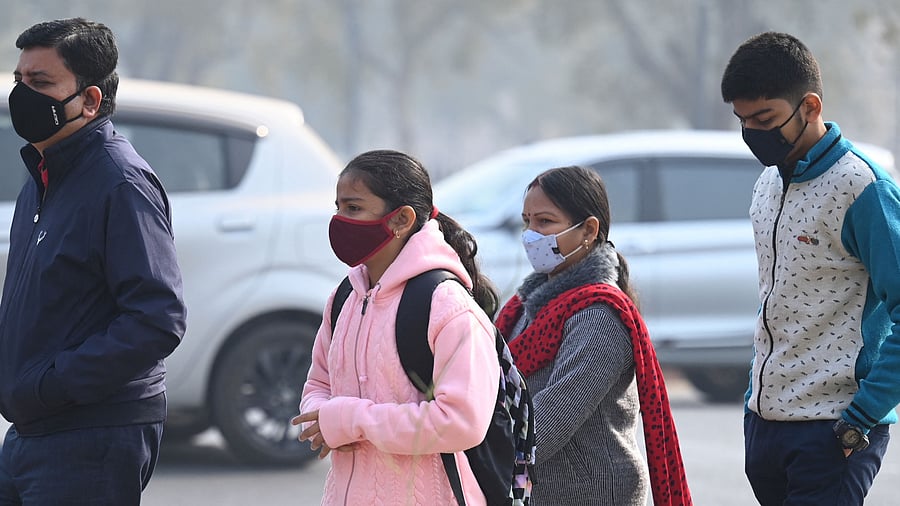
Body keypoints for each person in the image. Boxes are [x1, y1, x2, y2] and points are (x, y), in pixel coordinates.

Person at [0, 18, 186, 505]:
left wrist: (50, 384)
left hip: (91, 433)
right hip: (32, 429)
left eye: (41, 84)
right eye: (19, 81)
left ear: (90, 100)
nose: (23, 96)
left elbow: (157, 319)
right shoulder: (42, 177)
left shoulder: (119, 182)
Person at [721, 31, 900, 505]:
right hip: (765, 424)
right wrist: (754, 406)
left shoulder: (864, 189)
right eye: (742, 120)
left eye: (765, 118)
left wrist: (861, 418)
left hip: (833, 429)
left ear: (811, 107)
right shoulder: (766, 182)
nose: (753, 133)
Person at [291, 149, 501, 505]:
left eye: (354, 208)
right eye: (338, 207)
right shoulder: (345, 296)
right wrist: (322, 414)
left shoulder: (446, 305)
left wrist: (352, 420)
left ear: (401, 219)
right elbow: (319, 381)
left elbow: (462, 421)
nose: (340, 219)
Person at [493, 165, 692, 506]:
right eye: (528, 222)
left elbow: (549, 420)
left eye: (545, 222)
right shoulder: (525, 306)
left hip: (594, 493)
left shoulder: (599, 316)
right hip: (537, 491)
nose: (531, 235)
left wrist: (465, 438)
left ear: (588, 229)